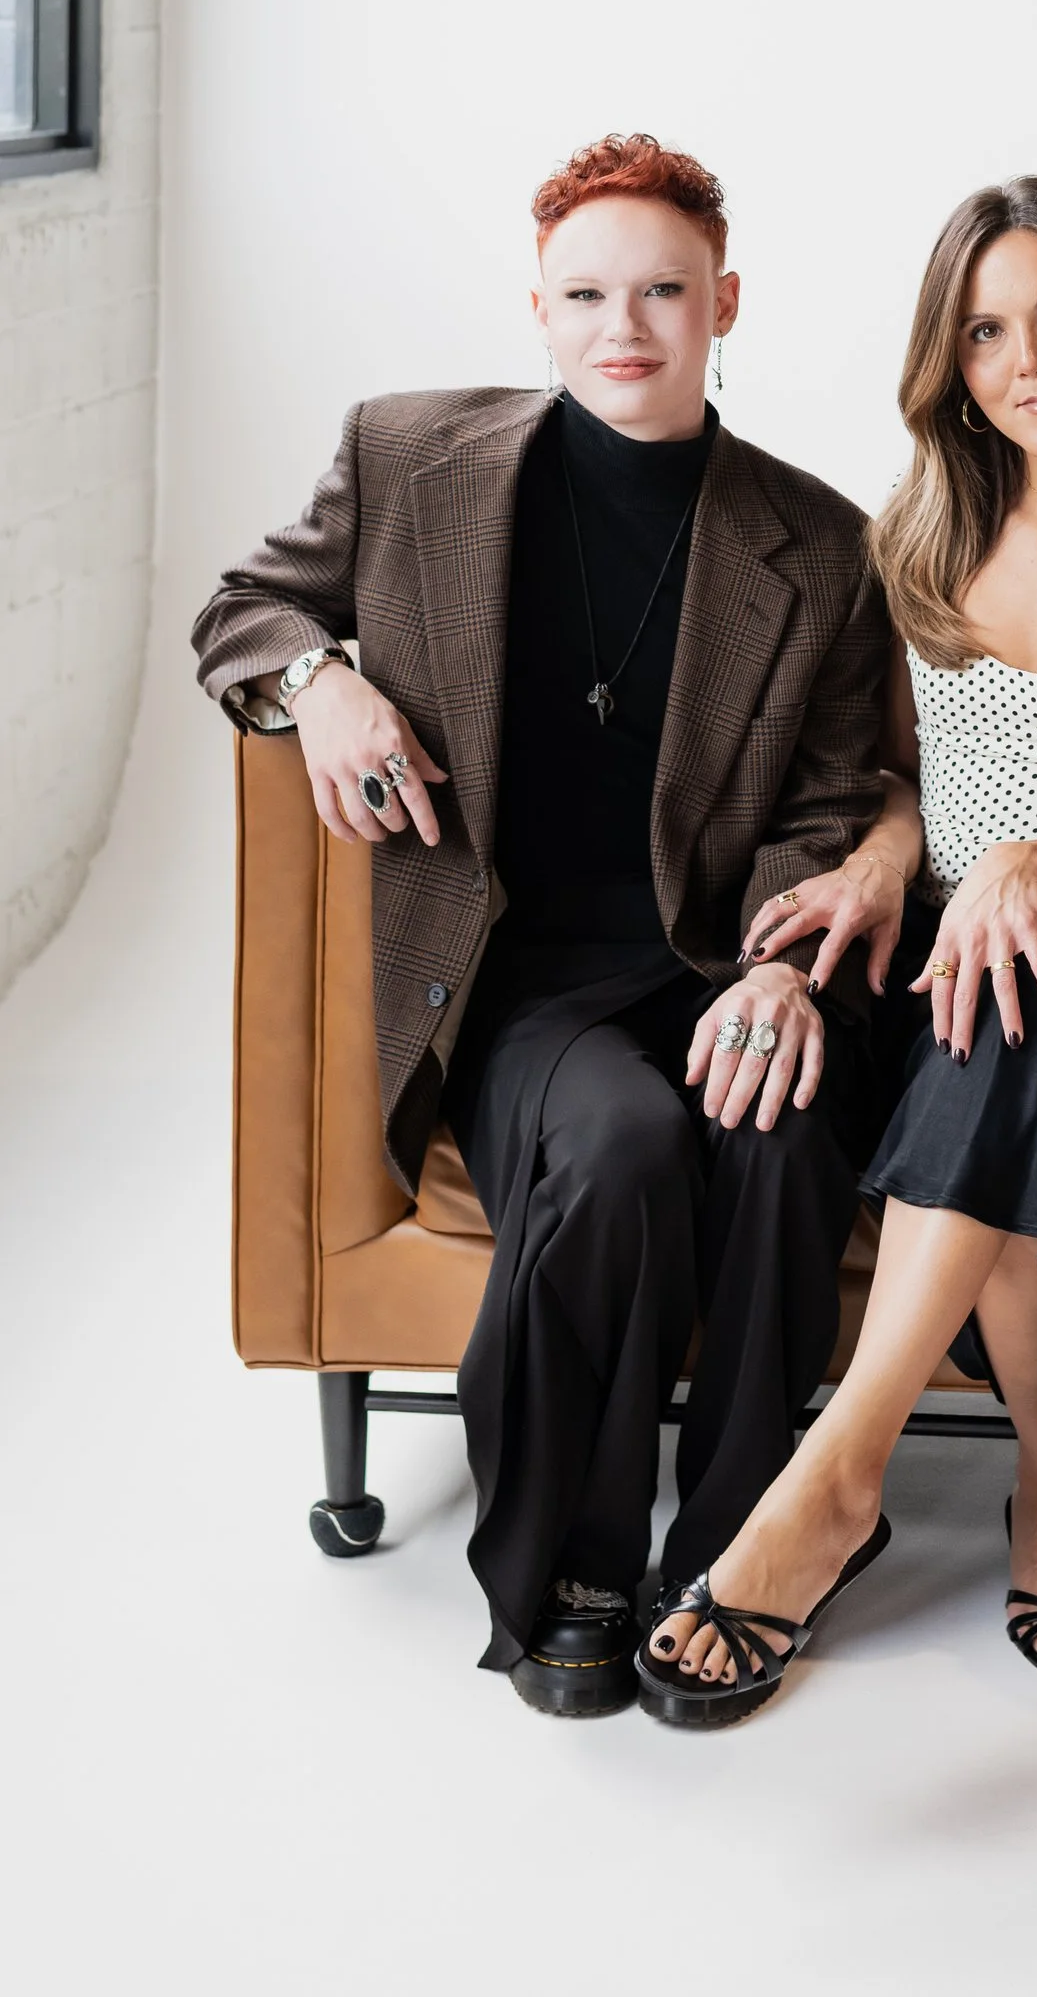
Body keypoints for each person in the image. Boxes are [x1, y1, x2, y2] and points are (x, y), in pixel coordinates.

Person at [192, 134, 913, 1716]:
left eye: (663, 289)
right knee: (625, 1149)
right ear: (538, 303)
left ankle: (740, 1554)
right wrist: (323, 683)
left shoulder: (819, 540)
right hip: (522, 986)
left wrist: (786, 980)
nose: (625, 326)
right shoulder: (409, 458)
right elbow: (241, 604)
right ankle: (578, 1560)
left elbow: (834, 791)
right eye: (587, 292)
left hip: (727, 961)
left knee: (786, 1132)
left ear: (727, 299)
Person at [638, 176, 1037, 1728]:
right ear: (951, 357)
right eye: (987, 328)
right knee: (990, 1011)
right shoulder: (924, 525)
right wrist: (887, 856)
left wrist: (1019, 864)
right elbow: (904, 780)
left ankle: (834, 1477)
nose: (1030, 358)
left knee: (1026, 984)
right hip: (960, 949)